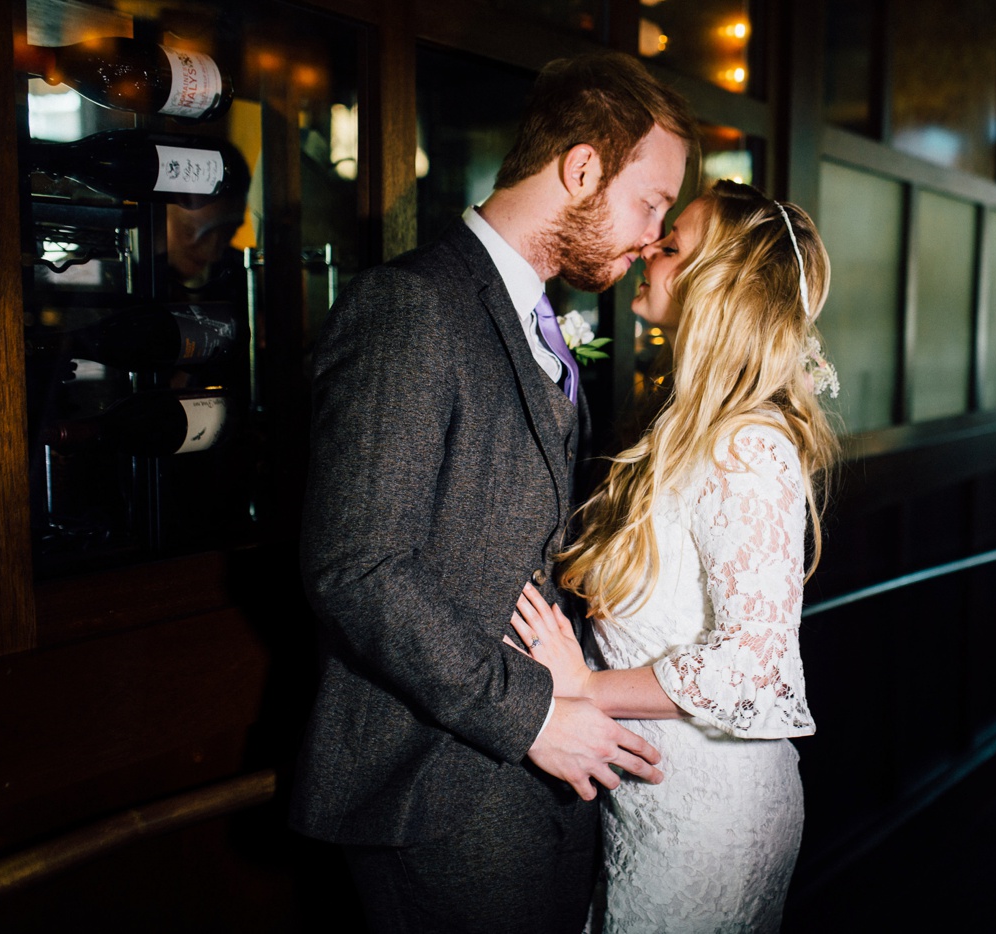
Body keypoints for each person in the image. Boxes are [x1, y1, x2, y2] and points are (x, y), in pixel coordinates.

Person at [293, 52, 698, 934]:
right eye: (652, 203)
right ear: (582, 168)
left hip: (533, 777)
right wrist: (533, 718)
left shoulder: (539, 318)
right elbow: (357, 566)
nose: (654, 237)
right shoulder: (410, 306)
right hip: (431, 781)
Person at [508, 180, 839, 933]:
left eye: (672, 245)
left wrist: (588, 687)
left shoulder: (747, 446)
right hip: (654, 803)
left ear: (717, 281)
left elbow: (753, 668)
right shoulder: (688, 423)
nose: (648, 253)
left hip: (706, 816)